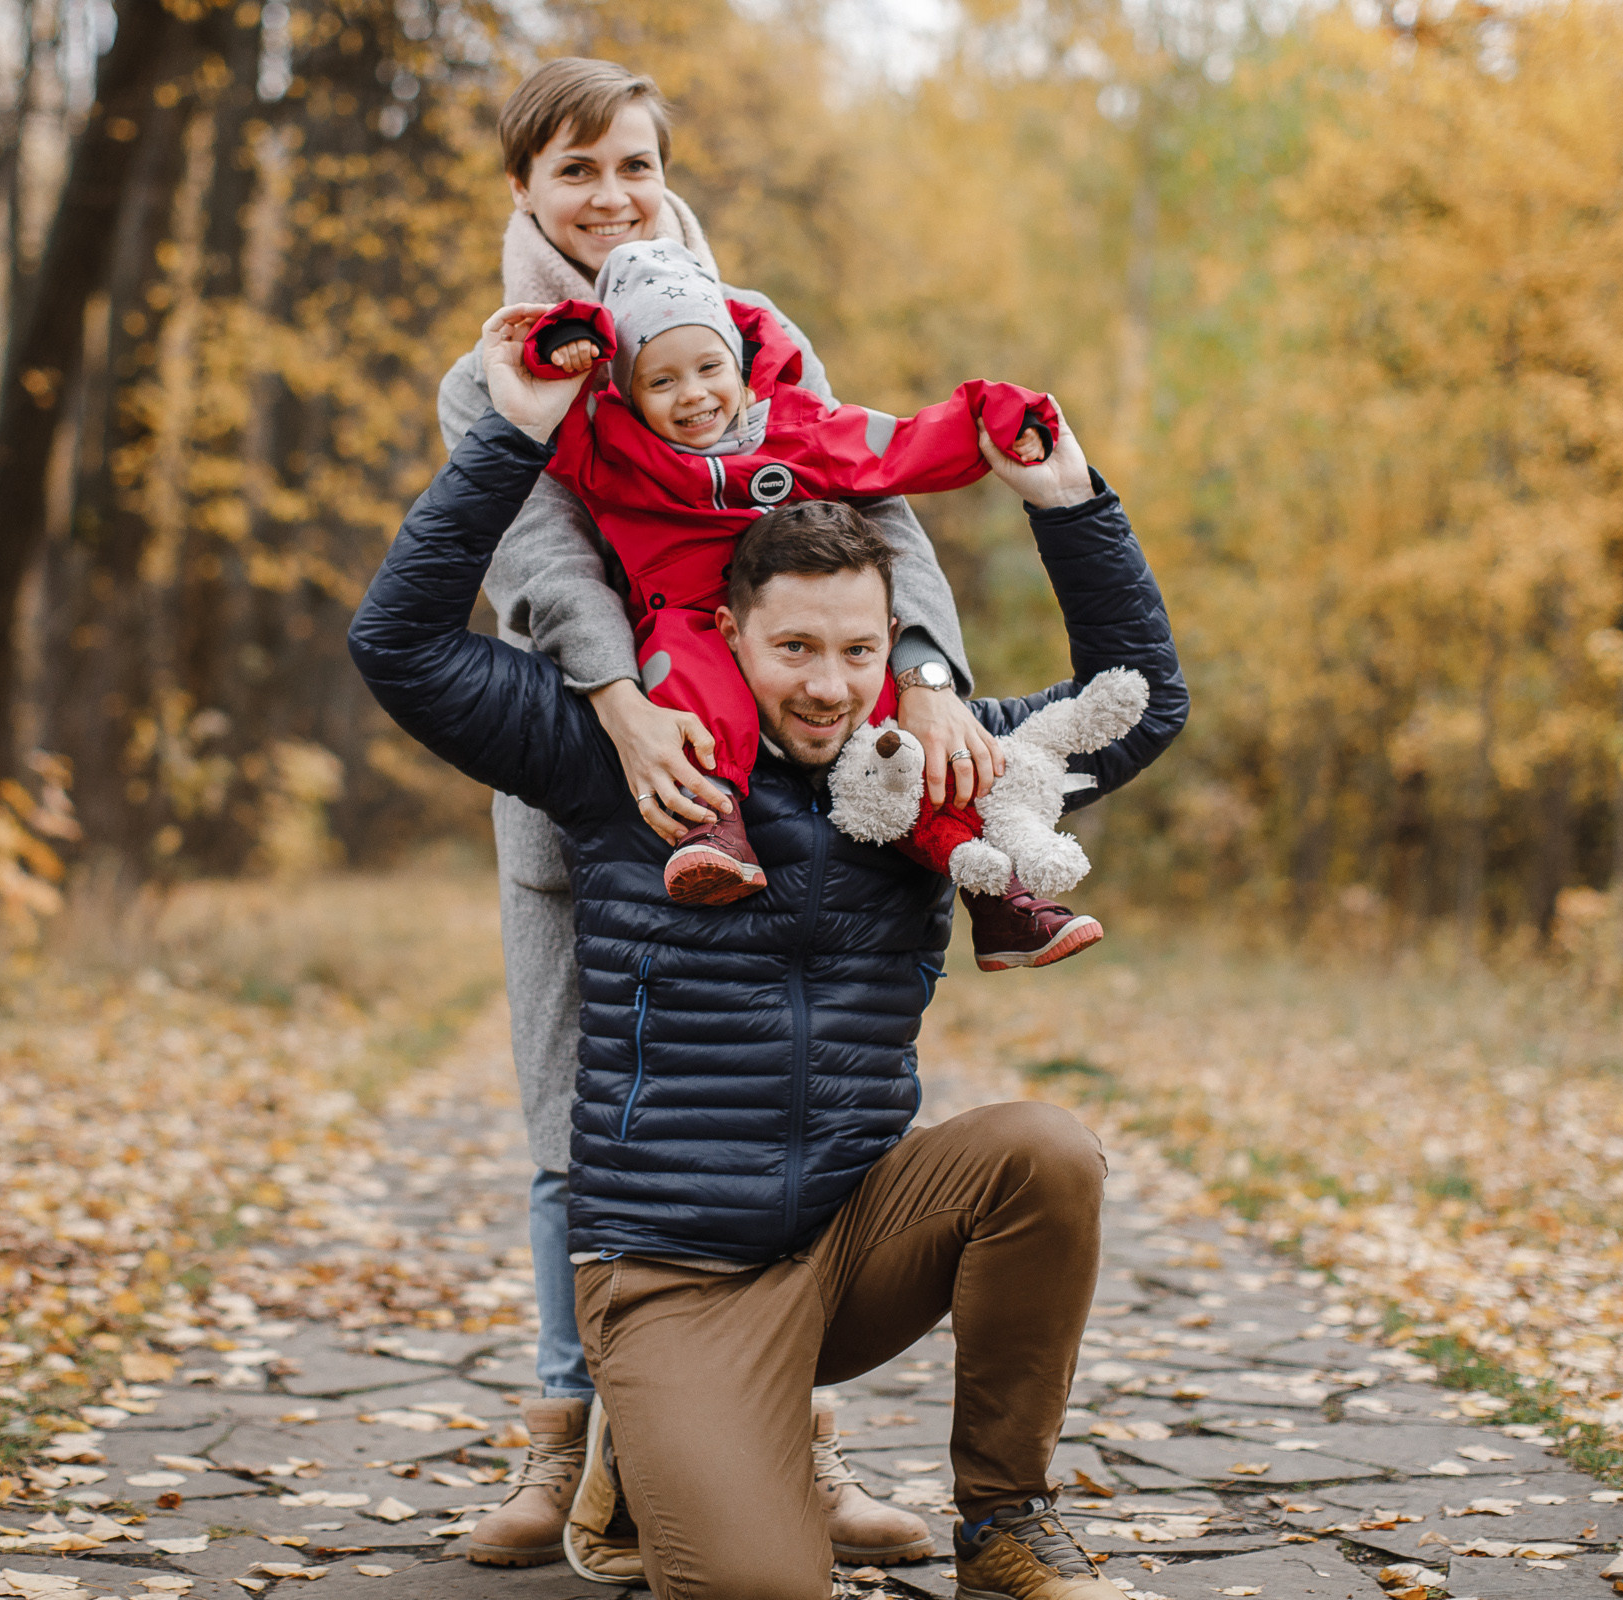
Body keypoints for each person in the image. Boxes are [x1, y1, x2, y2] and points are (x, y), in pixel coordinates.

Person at [350, 302, 1188, 1599]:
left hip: (851, 1246)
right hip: (671, 1277)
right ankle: (669, 1450)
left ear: (896, 656)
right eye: (794, 647)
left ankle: (1004, 1522)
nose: (826, 685)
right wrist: (512, 432)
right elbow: (395, 646)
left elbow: (1140, 694)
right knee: (757, 1588)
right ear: (729, 634)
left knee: (1046, 1156)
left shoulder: (929, 771)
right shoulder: (623, 757)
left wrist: (1067, 495)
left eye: (860, 652)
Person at [439, 57, 1022, 1571]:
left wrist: (932, 673)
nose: (609, 193)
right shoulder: (495, 366)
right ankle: (569, 1438)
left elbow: (867, 502)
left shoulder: (753, 333)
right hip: (590, 786)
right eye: (575, 170)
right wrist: (622, 707)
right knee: (578, 1122)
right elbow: (542, 565)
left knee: (794, 1097)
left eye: (631, 162)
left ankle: (798, 1447)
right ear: (523, 192)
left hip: (788, 802)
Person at [506, 242, 1103, 969]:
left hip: (802, 632)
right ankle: (713, 830)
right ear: (627, 391)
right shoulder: (614, 449)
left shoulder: (797, 431)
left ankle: (995, 893)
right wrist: (563, 345)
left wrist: (1008, 420)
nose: (692, 394)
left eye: (708, 368)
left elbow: (904, 445)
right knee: (680, 667)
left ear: (742, 368)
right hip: (692, 621)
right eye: (660, 379)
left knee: (900, 740)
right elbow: (532, 415)